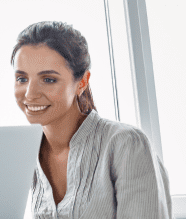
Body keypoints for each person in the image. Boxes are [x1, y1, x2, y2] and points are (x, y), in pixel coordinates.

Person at [11, 21, 172, 218]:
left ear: (82, 82)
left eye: (48, 79)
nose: (30, 94)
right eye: (22, 79)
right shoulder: (27, 155)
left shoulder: (126, 144)